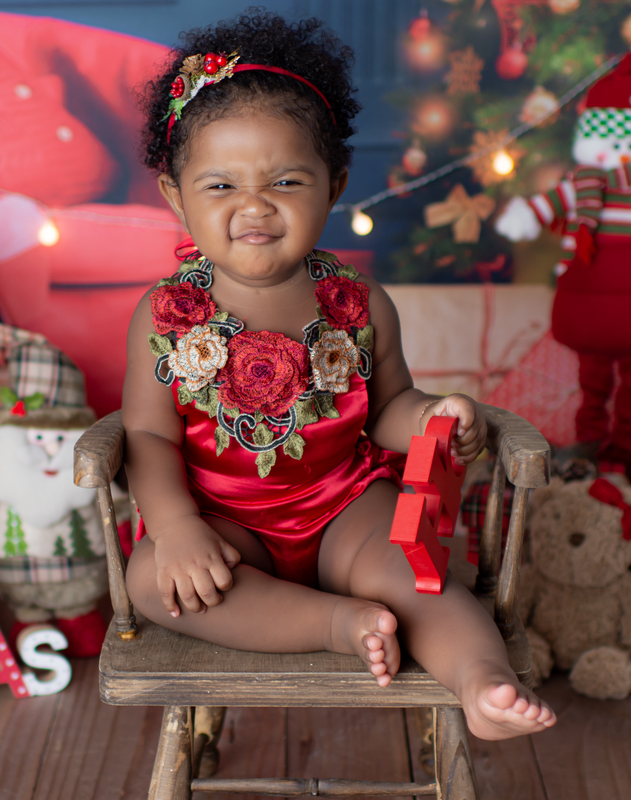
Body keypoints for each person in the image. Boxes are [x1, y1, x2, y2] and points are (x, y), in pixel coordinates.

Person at [123, 13, 555, 740]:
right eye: (222, 184)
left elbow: (387, 405)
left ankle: (484, 684)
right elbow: (146, 434)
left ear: (334, 186)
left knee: (415, 574)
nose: (254, 206)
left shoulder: (357, 302)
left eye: (286, 180)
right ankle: (335, 622)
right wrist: (174, 528)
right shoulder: (166, 315)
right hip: (227, 524)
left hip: (344, 510)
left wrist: (429, 417)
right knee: (152, 583)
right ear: (176, 195)